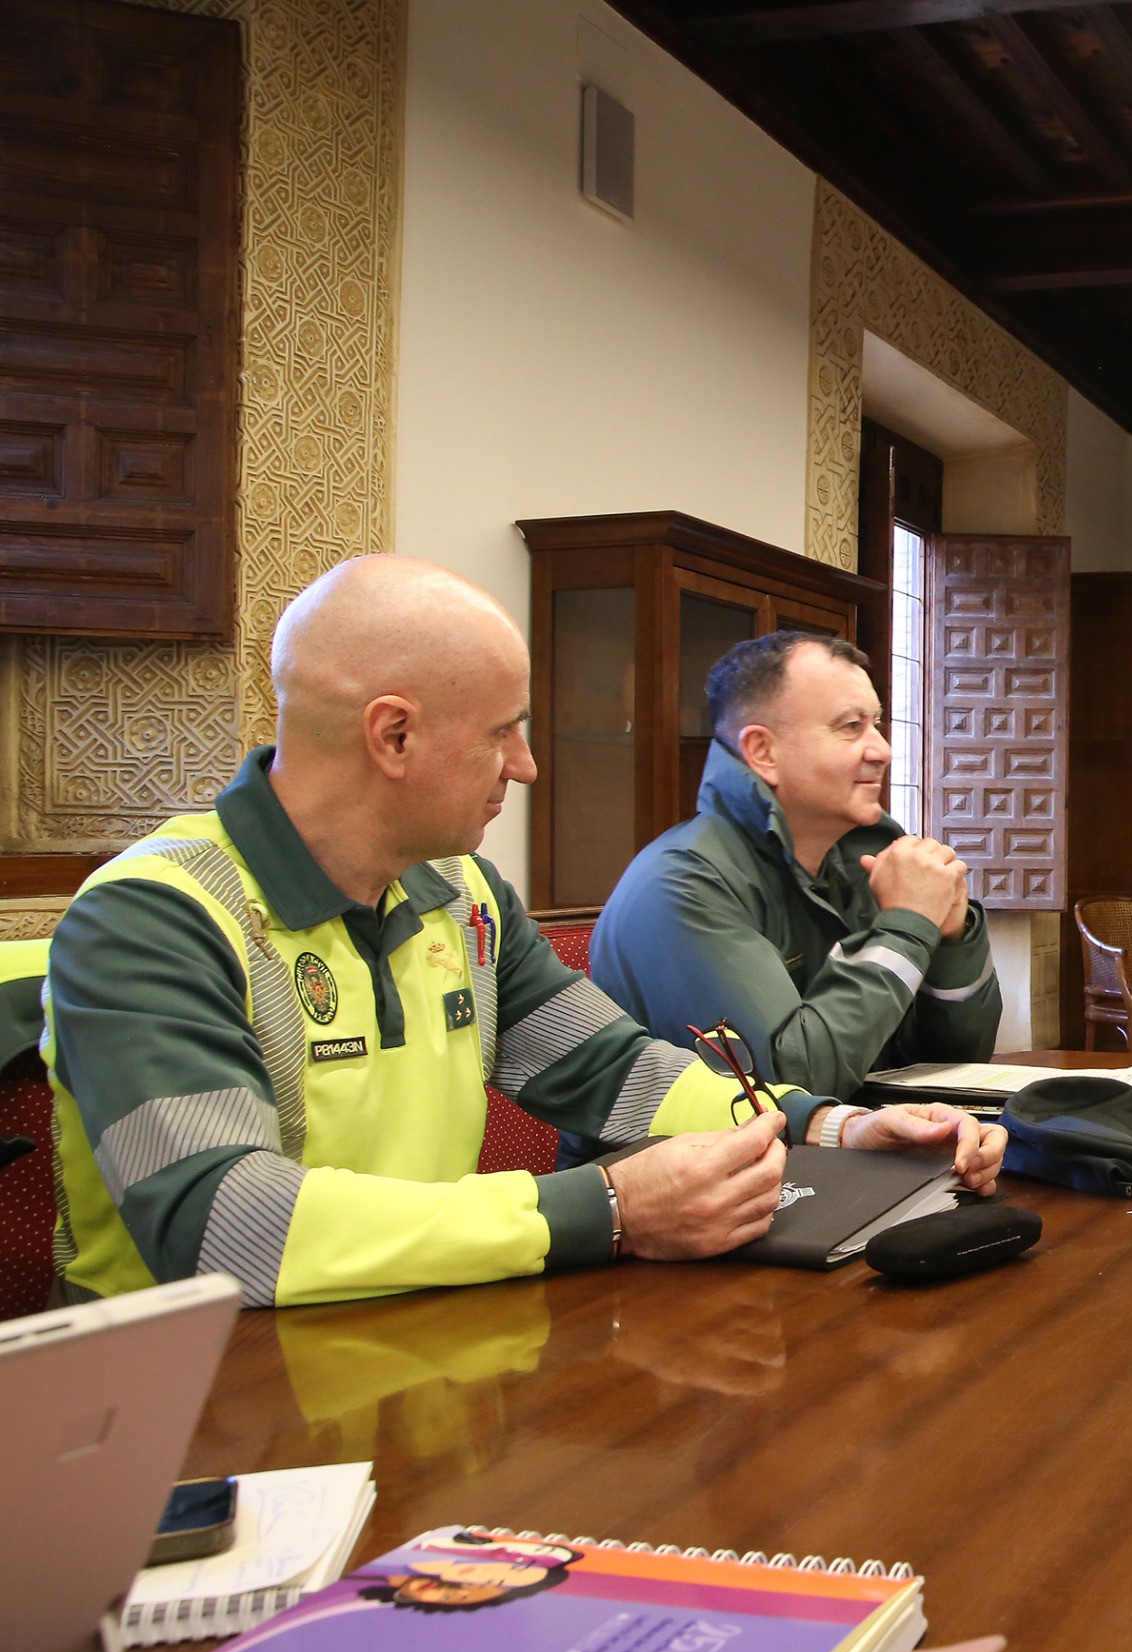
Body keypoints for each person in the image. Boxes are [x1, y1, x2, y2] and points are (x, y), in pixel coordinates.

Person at [44, 556, 1000, 1310]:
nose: (529, 766)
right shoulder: (154, 917)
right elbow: (225, 1229)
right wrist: (611, 1209)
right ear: (394, 736)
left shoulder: (461, 895)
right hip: (203, 1409)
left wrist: (836, 1125)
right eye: (503, 732)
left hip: (412, 1337)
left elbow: (620, 1073)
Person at [590, 632, 999, 1108]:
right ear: (764, 752)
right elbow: (780, 1092)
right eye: (850, 726)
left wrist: (951, 942)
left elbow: (950, 1067)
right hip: (693, 1175)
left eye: (877, 724)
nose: (882, 749)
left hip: (852, 1159)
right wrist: (907, 928)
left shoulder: (863, 861)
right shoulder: (682, 884)